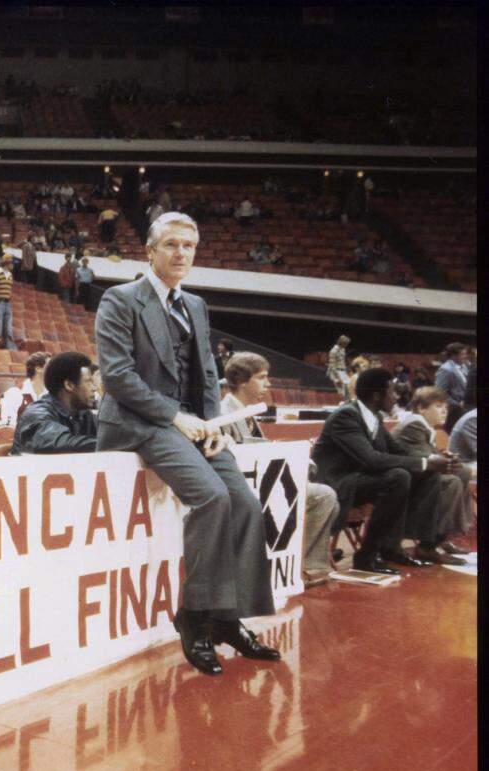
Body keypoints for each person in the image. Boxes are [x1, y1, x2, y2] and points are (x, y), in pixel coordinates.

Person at [94, 212, 280, 676]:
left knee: (246, 505)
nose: (181, 254)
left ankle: (226, 617)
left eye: (189, 247)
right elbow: (117, 377)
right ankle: (194, 617)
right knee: (212, 498)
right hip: (140, 422)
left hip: (192, 423)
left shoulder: (194, 305)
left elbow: (208, 375)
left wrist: (213, 424)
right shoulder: (119, 300)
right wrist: (176, 416)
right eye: (172, 245)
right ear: (150, 251)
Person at [312, 368, 459, 575]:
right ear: (377, 395)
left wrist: (434, 459)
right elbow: (371, 459)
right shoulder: (346, 416)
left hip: (361, 479)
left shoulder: (374, 416)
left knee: (424, 474)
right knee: (398, 476)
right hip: (339, 482)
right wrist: (426, 462)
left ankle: (398, 546)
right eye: (392, 392)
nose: (397, 397)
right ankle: (367, 555)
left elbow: (399, 450)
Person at [221, 353, 341, 586]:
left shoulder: (247, 411)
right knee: (324, 495)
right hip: (244, 488)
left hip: (261, 482)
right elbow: (235, 456)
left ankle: (305, 565)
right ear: (242, 380)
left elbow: (258, 447)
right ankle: (300, 566)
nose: (268, 384)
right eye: (262, 378)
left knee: (329, 500)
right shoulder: (225, 412)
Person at [391, 387, 473, 561]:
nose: (444, 411)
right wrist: (447, 461)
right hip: (400, 480)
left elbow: (428, 455)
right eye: (438, 406)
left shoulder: (425, 426)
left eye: (446, 407)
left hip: (416, 476)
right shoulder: (414, 424)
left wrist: (446, 457)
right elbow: (421, 458)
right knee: (451, 481)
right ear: (421, 408)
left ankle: (442, 538)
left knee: (461, 474)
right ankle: (428, 545)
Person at [11, 352, 98, 455]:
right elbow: (58, 443)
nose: (94, 387)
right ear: (69, 385)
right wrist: (111, 444)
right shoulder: (36, 413)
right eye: (88, 382)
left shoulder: (83, 414)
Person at [1, 351, 49, 425]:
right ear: (38, 368)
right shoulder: (14, 393)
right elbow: (8, 427)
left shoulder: (51, 394)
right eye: (50, 366)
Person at [434, 342, 469, 433]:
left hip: (466, 408)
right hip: (453, 411)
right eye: (463, 354)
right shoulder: (446, 369)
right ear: (454, 356)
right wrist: (457, 404)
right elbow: (439, 392)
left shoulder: (465, 367)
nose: (465, 356)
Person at [326, 334, 351, 400]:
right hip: (336, 372)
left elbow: (342, 361)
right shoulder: (333, 351)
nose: (346, 345)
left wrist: (345, 372)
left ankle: (345, 402)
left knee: (347, 387)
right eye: (346, 343)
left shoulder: (343, 349)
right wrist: (337, 377)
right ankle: (341, 403)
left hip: (342, 371)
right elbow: (332, 365)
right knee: (340, 389)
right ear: (342, 343)